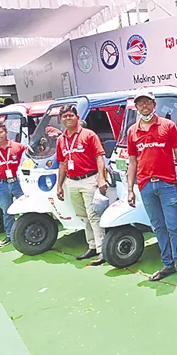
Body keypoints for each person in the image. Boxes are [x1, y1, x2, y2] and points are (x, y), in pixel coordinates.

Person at [126, 88, 177, 281]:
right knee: (158, 227)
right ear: (136, 107)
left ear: (154, 104)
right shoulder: (132, 132)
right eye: (140, 103)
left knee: (174, 226)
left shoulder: (168, 126)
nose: (144, 106)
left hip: (167, 184)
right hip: (145, 186)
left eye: (147, 102)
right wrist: (130, 189)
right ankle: (168, 264)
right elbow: (132, 161)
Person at [55, 104, 109, 266]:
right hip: (72, 181)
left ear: (77, 117)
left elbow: (100, 157)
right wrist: (59, 185)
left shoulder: (88, 135)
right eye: (64, 116)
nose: (68, 118)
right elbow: (63, 164)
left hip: (89, 180)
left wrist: (101, 178)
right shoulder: (61, 140)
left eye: (71, 115)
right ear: (60, 120)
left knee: (94, 215)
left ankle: (102, 250)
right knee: (83, 216)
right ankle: (92, 246)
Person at [0, 123, 27, 246]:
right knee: (7, 211)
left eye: (0, 132)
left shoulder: (19, 147)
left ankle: (30, 231)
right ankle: (10, 235)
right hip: (2, 185)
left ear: (6, 132)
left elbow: (29, 162)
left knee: (28, 208)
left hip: (19, 183)